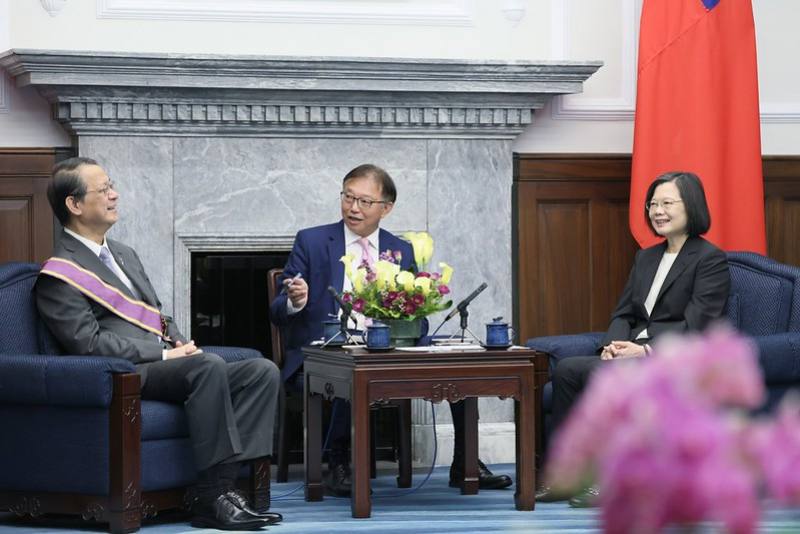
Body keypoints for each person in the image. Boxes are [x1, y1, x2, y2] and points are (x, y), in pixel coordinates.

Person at [34, 157, 282, 531]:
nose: (114, 194)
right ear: (74, 204)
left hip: (168, 363)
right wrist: (165, 353)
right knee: (207, 366)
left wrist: (181, 343)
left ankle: (226, 490)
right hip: (126, 374)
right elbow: (87, 344)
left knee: (260, 371)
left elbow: (156, 315)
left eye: (111, 185)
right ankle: (214, 496)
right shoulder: (59, 273)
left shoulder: (123, 254)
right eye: (103, 190)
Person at [269, 163, 512, 496]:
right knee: (350, 366)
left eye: (365, 202)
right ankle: (338, 461)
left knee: (459, 360)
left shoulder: (401, 249)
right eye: (348, 197)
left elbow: (418, 315)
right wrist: (296, 300)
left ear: (386, 208)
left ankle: (464, 462)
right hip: (326, 353)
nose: (353, 208)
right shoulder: (311, 241)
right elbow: (277, 312)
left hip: (387, 350)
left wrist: (412, 317)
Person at [536, 171, 731, 507]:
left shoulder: (709, 259)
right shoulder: (646, 257)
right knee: (568, 369)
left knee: (602, 375)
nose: (657, 211)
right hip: (629, 353)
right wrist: (612, 346)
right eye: (653, 204)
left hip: (670, 359)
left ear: (692, 206)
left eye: (667, 203)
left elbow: (698, 324)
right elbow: (623, 313)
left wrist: (644, 351)